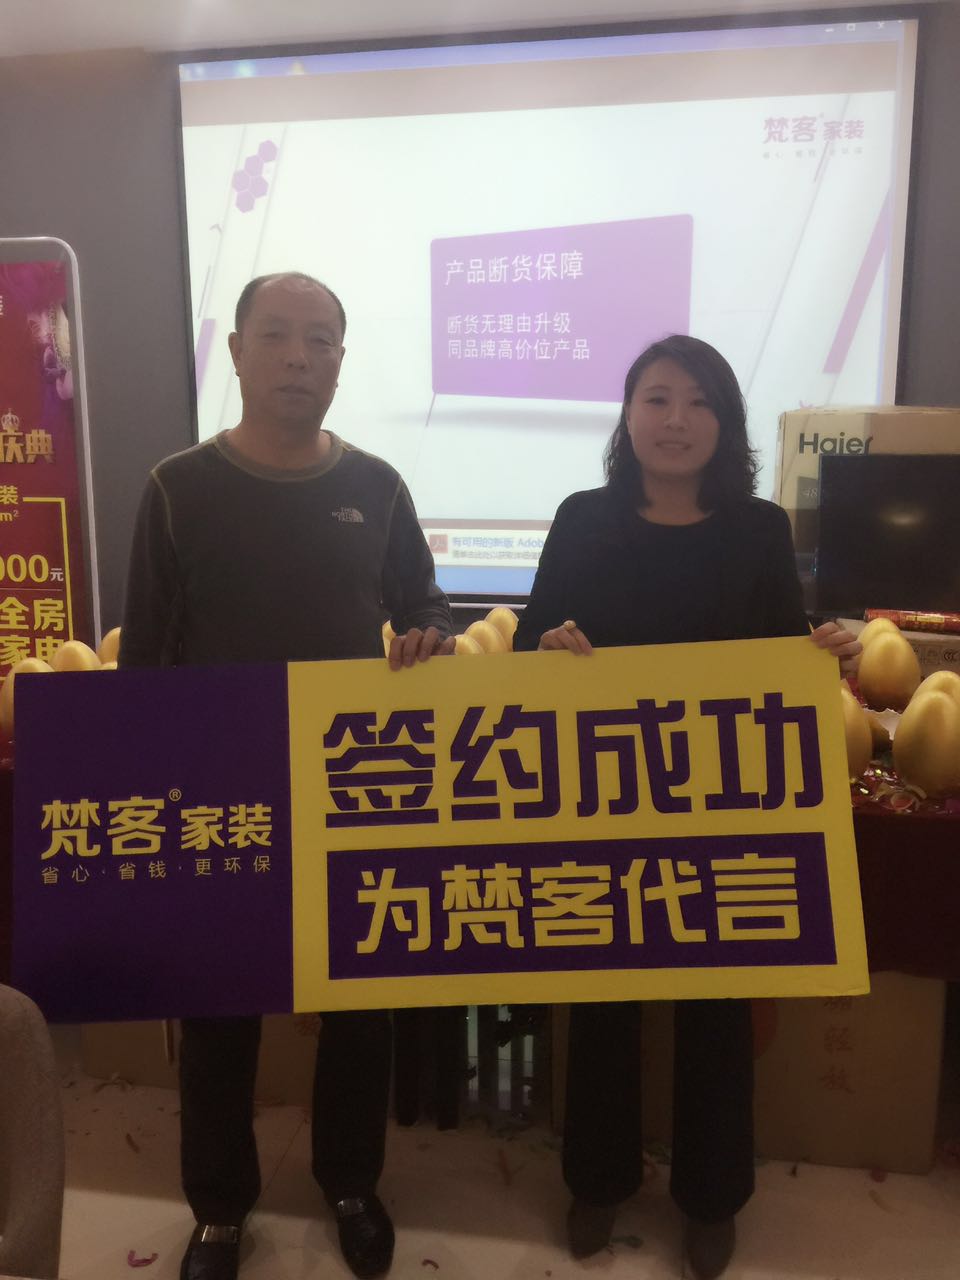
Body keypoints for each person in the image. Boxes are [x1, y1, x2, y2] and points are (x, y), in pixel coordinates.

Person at [119, 272, 454, 1280]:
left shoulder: (378, 486)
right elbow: (146, 665)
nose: (299, 357)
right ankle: (220, 1209)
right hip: (219, 794)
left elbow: (425, 606)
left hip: (350, 791)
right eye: (276, 336)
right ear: (235, 352)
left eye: (321, 340)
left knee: (359, 1005)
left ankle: (352, 1182)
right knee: (220, 1009)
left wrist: (428, 638)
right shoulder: (176, 487)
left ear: (342, 360)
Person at [512, 334, 860, 1280]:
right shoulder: (582, 519)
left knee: (715, 1008)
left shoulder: (757, 528)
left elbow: (779, 653)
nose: (676, 420)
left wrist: (822, 650)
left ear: (726, 422)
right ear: (628, 415)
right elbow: (531, 643)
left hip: (721, 810)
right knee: (603, 998)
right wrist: (550, 648)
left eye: (699, 402)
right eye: (657, 399)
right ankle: (597, 1180)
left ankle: (712, 1198)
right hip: (601, 805)